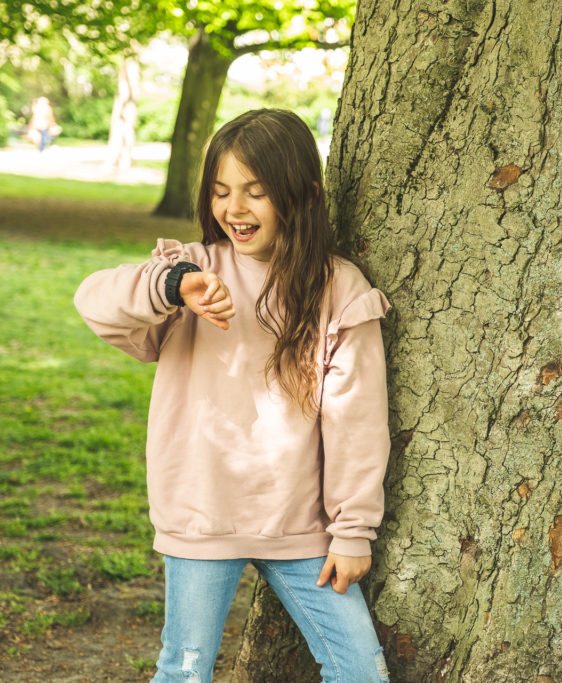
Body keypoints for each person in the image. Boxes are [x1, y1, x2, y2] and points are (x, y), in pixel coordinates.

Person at [74, 109, 391, 683]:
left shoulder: (339, 288)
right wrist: (174, 286)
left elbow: (357, 420)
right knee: (184, 672)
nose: (235, 209)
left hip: (302, 528)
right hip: (201, 516)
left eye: (255, 193)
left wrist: (352, 530)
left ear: (303, 195)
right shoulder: (194, 273)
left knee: (361, 670)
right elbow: (93, 300)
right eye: (221, 192)